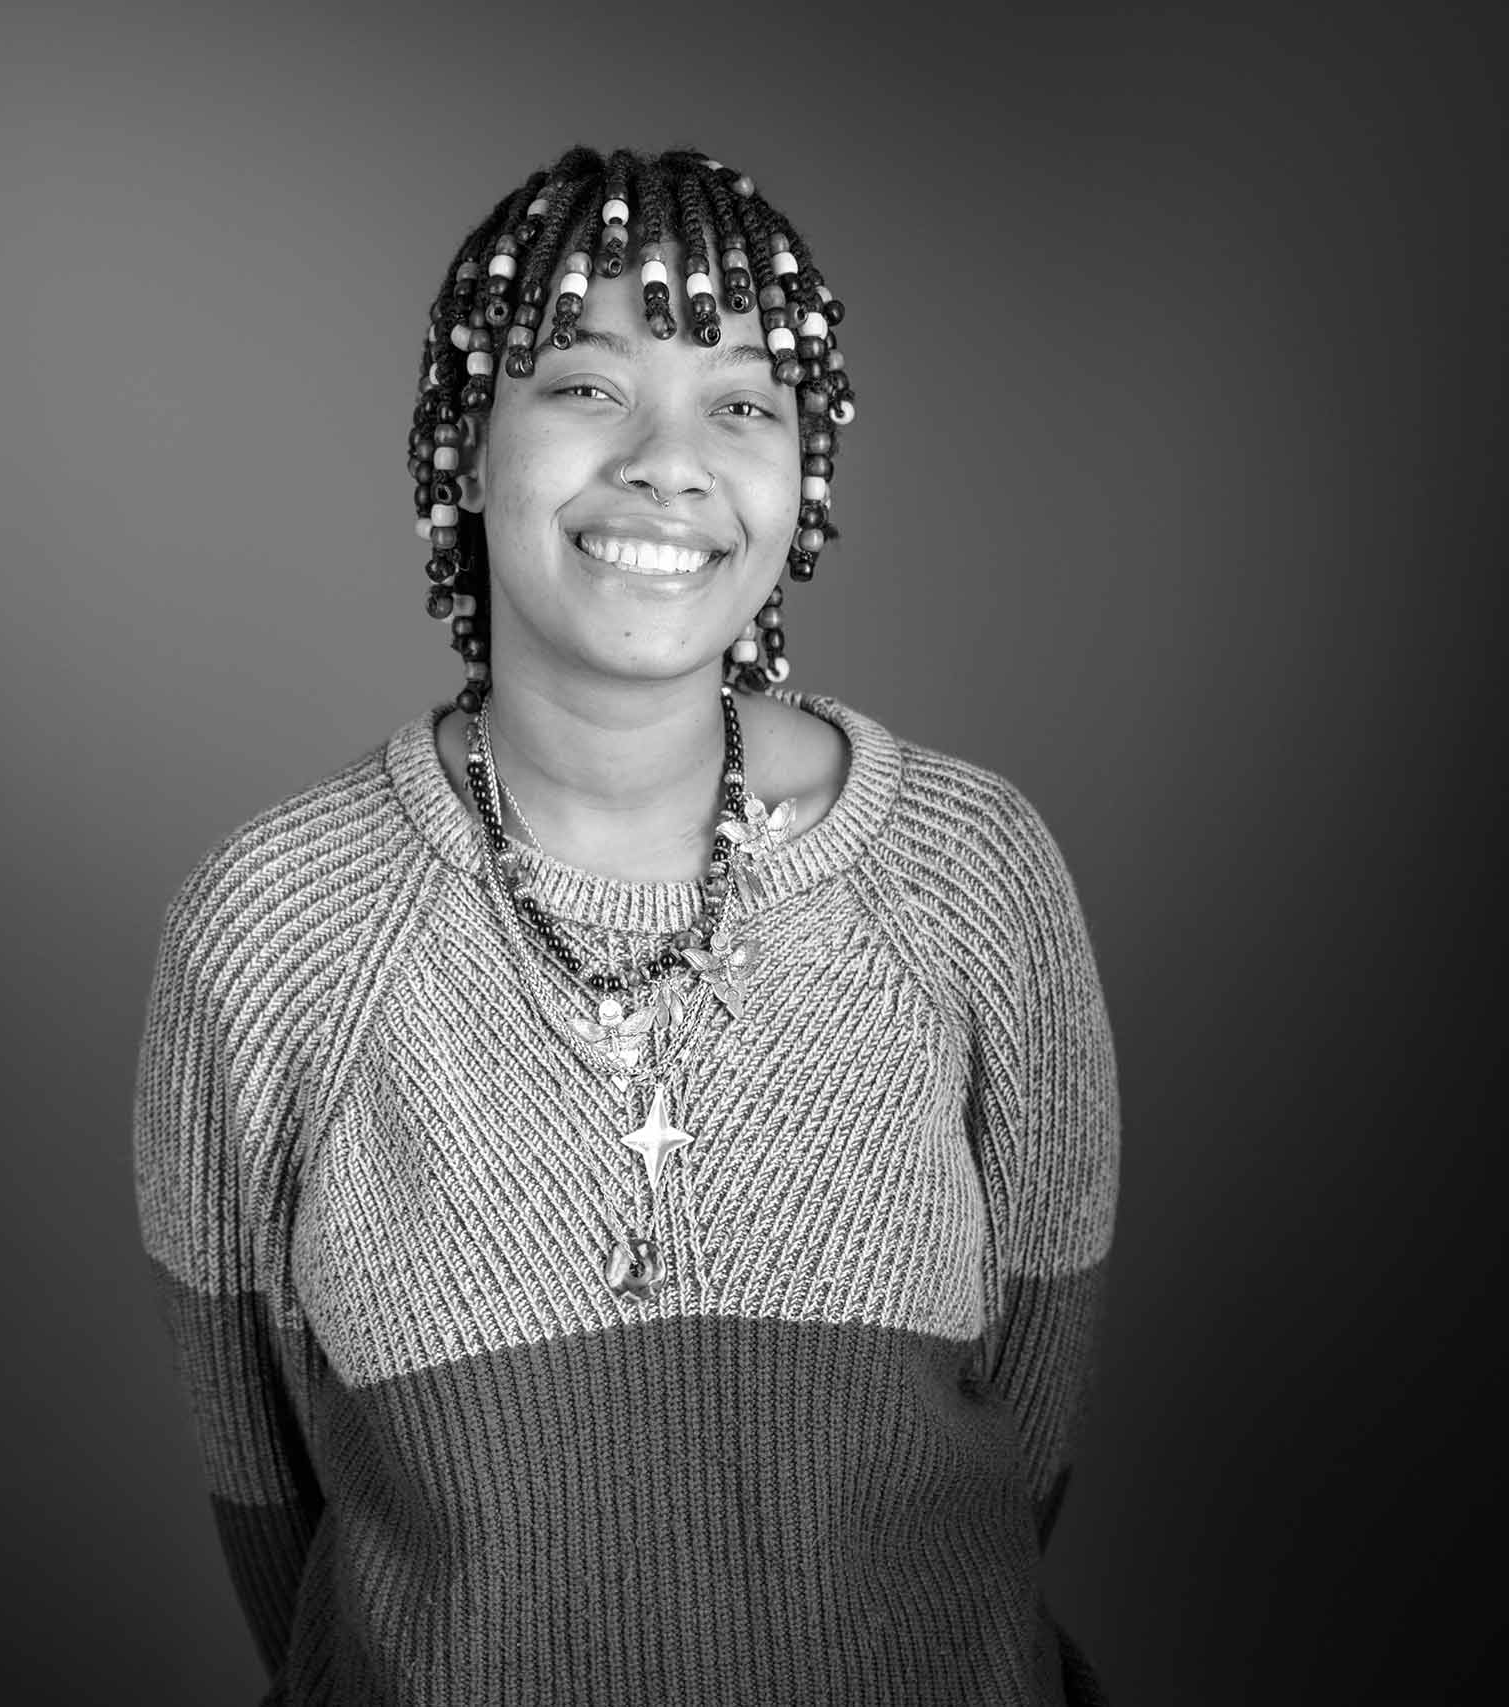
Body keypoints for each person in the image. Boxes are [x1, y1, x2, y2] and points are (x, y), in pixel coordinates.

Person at [133, 144, 1120, 1704]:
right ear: (466, 446)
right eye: (588, 385)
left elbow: (1019, 1458)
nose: (673, 462)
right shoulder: (272, 931)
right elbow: (274, 1511)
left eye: (744, 403)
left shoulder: (972, 876)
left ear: (802, 479)